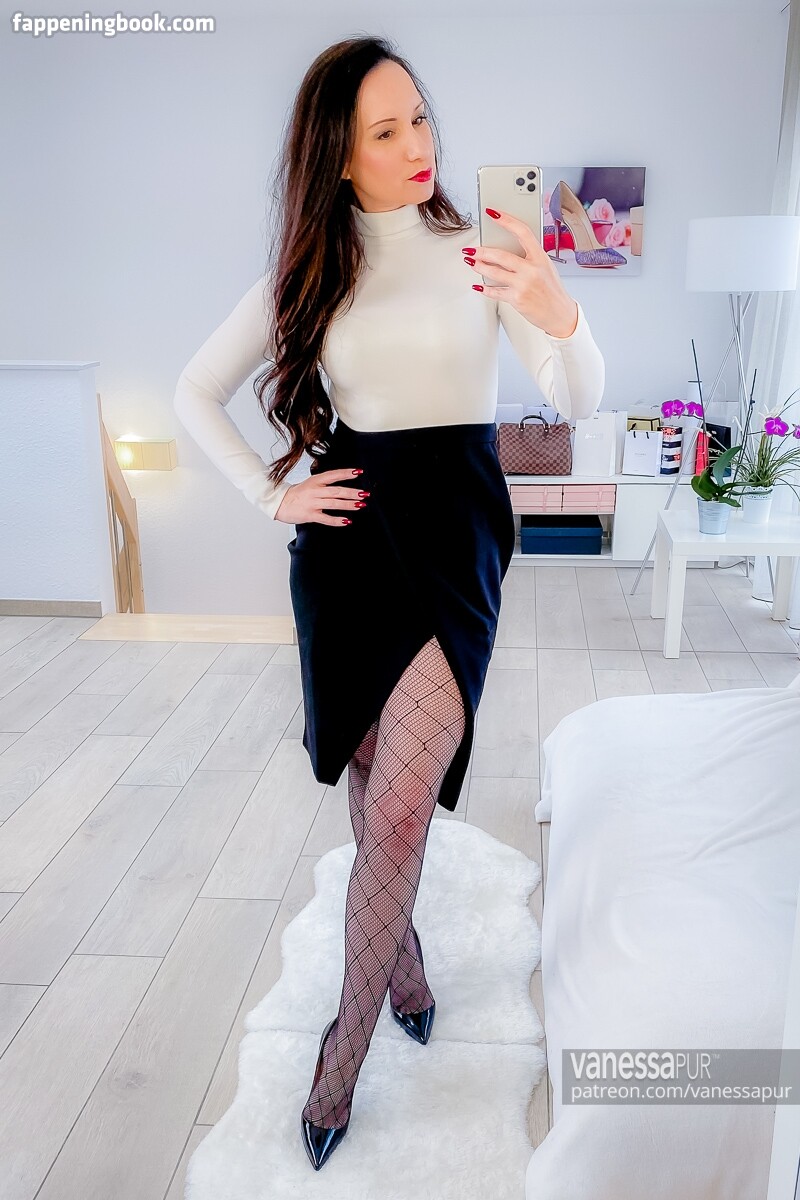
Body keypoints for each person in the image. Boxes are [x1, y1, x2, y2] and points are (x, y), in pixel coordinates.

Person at [173, 36, 605, 1172]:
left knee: (403, 807)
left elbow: (575, 394)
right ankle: (401, 967)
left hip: (455, 543)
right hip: (349, 547)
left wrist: (560, 312)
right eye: (385, 129)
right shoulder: (306, 277)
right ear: (337, 153)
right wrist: (272, 492)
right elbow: (194, 392)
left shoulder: (481, 252)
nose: (418, 144)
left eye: (420, 118)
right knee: (373, 787)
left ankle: (341, 1052)